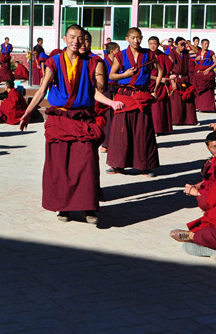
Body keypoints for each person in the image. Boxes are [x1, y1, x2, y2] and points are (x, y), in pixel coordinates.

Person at [21, 24, 125, 224]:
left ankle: (88, 207)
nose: (76, 41)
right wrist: (28, 112)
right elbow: (43, 90)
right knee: (60, 166)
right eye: (72, 37)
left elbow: (94, 92)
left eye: (79, 37)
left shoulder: (90, 62)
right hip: (60, 120)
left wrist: (111, 102)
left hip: (82, 119)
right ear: (64, 38)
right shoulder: (54, 61)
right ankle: (64, 208)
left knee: (86, 163)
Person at [107, 27, 163, 177]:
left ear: (141, 38)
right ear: (127, 39)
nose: (136, 40)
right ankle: (118, 165)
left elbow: (160, 71)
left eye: (138, 37)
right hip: (124, 95)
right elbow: (112, 75)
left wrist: (155, 89)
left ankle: (145, 166)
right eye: (133, 37)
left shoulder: (148, 54)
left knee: (143, 131)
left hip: (141, 95)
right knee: (121, 130)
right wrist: (124, 74)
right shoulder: (120, 55)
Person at [183, 129, 216, 211]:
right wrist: (196, 186)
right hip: (214, 190)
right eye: (214, 147)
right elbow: (209, 180)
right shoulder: (211, 161)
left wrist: (197, 193)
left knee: (205, 200)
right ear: (208, 148)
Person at [169, 37, 198, 126]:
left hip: (185, 78)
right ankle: (176, 120)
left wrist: (189, 44)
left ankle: (189, 120)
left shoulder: (186, 53)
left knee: (188, 99)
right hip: (176, 78)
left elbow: (196, 51)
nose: (183, 46)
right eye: (181, 44)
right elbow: (169, 69)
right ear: (176, 44)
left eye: (184, 44)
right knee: (177, 102)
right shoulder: (172, 54)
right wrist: (173, 82)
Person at [147, 36, 173, 135]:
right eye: (151, 44)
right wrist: (158, 79)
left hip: (161, 85)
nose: (153, 46)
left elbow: (169, 69)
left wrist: (167, 78)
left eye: (155, 44)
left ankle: (161, 128)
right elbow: (144, 73)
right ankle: (152, 129)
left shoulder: (163, 56)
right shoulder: (146, 56)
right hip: (149, 83)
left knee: (160, 105)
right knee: (152, 107)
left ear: (158, 45)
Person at [192, 39, 216, 113]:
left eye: (208, 44)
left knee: (208, 92)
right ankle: (199, 106)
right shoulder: (198, 53)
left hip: (207, 74)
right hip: (199, 74)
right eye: (205, 44)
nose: (207, 45)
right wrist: (195, 60)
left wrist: (209, 69)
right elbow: (196, 63)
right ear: (201, 44)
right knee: (198, 91)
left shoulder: (211, 53)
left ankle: (208, 108)